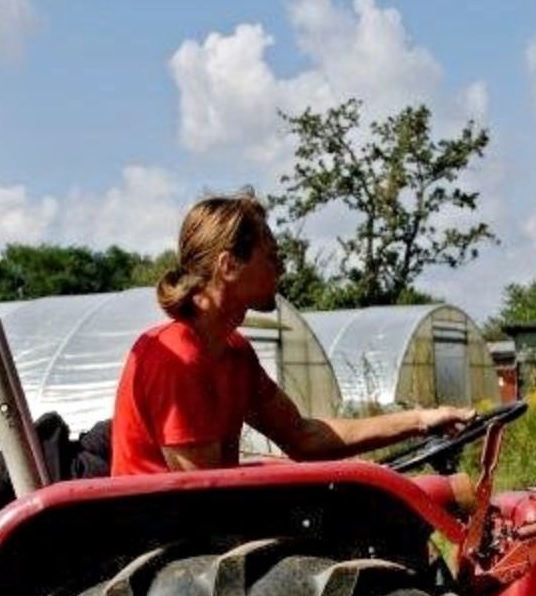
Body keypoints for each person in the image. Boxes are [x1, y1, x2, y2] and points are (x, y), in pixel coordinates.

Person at [110, 193, 473, 476]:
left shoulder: (235, 353)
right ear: (229, 266)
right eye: (272, 258)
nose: (280, 271)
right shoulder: (174, 358)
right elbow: (204, 493)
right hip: (157, 542)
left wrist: (421, 420)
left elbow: (303, 437)